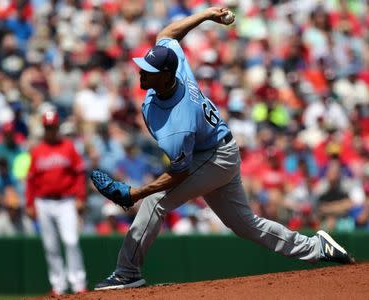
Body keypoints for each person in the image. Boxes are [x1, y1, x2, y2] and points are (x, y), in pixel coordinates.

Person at [91, 7, 355, 290]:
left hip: (214, 157)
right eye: (143, 67)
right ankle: (317, 247)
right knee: (246, 225)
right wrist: (205, 14)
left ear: (166, 76)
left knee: (155, 203)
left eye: (150, 71)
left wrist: (135, 194)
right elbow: (167, 34)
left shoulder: (180, 124)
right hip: (218, 149)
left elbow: (178, 174)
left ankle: (127, 271)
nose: (142, 73)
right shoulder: (174, 64)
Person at [25, 110, 87, 295]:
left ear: (58, 127)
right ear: (44, 129)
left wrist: (80, 197)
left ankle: (78, 284)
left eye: (53, 127)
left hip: (66, 201)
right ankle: (58, 286)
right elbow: (30, 181)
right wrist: (29, 203)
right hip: (43, 202)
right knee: (50, 245)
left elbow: (79, 174)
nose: (50, 131)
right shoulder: (37, 151)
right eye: (47, 128)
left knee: (71, 241)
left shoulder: (68, 147)